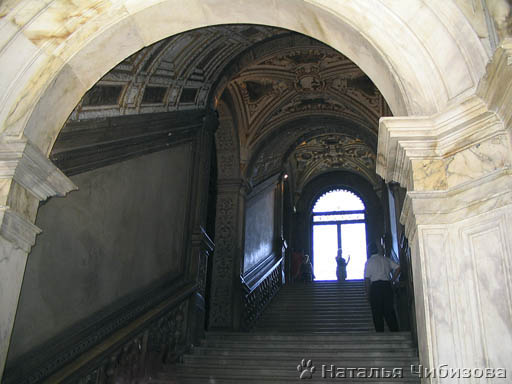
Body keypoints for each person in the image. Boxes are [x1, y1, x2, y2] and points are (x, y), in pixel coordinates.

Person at [364, 242, 400, 332]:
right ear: (377, 250)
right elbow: (398, 268)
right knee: (389, 311)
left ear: (369, 251)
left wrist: (368, 293)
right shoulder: (385, 259)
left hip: (375, 288)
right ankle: (395, 331)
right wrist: (392, 280)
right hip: (386, 286)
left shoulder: (368, 262)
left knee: (377, 312)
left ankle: (380, 333)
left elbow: (367, 280)